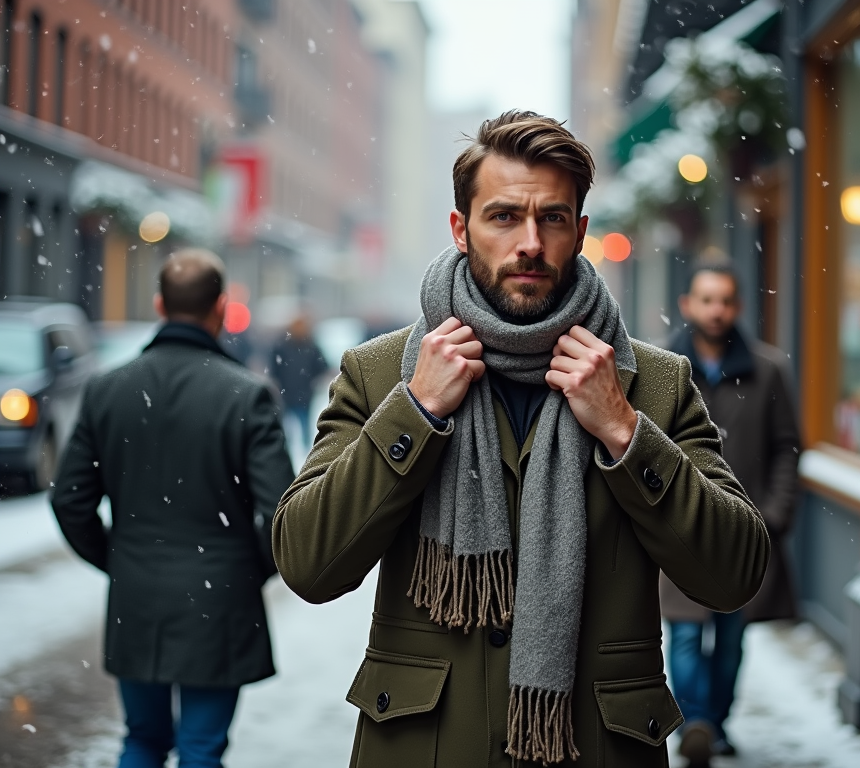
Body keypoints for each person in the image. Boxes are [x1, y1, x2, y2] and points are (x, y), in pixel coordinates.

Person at [272, 111, 770, 768]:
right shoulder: (379, 374)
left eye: (553, 219)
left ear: (580, 233)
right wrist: (414, 414)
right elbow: (308, 562)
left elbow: (733, 574)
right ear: (461, 229)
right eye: (504, 216)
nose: (530, 242)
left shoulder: (653, 384)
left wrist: (625, 431)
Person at [51, 249, 295, 768]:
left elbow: (70, 499)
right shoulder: (246, 395)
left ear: (160, 304)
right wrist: (247, 567)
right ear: (221, 308)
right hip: (220, 598)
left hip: (137, 594)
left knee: (141, 739)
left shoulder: (107, 389)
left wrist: (119, 558)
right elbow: (282, 513)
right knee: (201, 749)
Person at [661, 256, 801, 767]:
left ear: (737, 306)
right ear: (688, 305)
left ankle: (714, 724)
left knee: (731, 638)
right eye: (706, 299)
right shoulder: (660, 368)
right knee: (683, 633)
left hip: (746, 533)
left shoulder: (768, 370)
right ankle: (696, 721)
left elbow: (788, 447)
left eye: (725, 300)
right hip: (680, 528)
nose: (716, 310)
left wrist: (774, 515)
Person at [268, 313, 329, 448]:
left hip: (304, 394)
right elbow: (274, 369)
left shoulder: (311, 346)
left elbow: (322, 366)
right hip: (287, 393)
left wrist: (314, 381)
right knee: (285, 426)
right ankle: (285, 447)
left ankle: (305, 449)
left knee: (304, 425)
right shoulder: (282, 346)